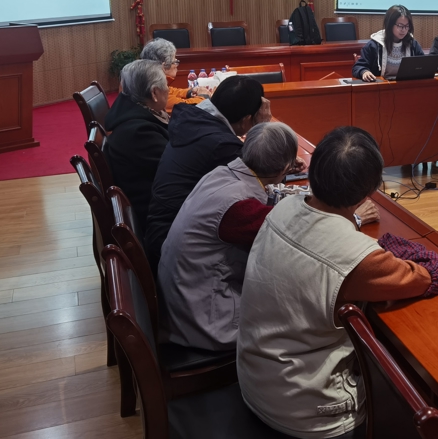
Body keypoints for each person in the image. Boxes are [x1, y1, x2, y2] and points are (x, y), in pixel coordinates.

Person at [237, 126, 438, 439]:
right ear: (368, 192)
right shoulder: (359, 258)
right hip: (309, 414)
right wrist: (391, 247)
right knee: (423, 385)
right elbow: (430, 276)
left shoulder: (282, 208)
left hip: (256, 383)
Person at [158, 122, 381, 352]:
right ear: (284, 166)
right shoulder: (238, 208)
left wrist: (279, 174)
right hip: (207, 320)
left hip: (183, 302)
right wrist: (355, 218)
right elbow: (303, 236)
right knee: (316, 308)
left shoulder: (219, 174)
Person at [145, 75, 277, 271]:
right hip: (176, 252)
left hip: (163, 232)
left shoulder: (194, 120)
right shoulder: (221, 145)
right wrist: (262, 129)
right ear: (246, 120)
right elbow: (261, 178)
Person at [103, 60, 170, 231]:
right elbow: (175, 168)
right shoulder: (139, 133)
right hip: (157, 217)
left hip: (156, 201)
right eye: (166, 84)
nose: (169, 89)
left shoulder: (132, 113)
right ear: (154, 92)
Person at [352, 4, 424, 81]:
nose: (404, 30)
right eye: (400, 26)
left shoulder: (412, 44)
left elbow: (424, 65)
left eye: (407, 26)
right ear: (390, 24)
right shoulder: (375, 45)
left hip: (406, 85)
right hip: (382, 86)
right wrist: (364, 72)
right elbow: (358, 67)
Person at [140, 38, 210, 113]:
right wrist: (203, 96)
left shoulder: (150, 79)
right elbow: (184, 107)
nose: (177, 64)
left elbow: (171, 91)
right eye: (175, 61)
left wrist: (189, 92)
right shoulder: (156, 90)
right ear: (164, 66)